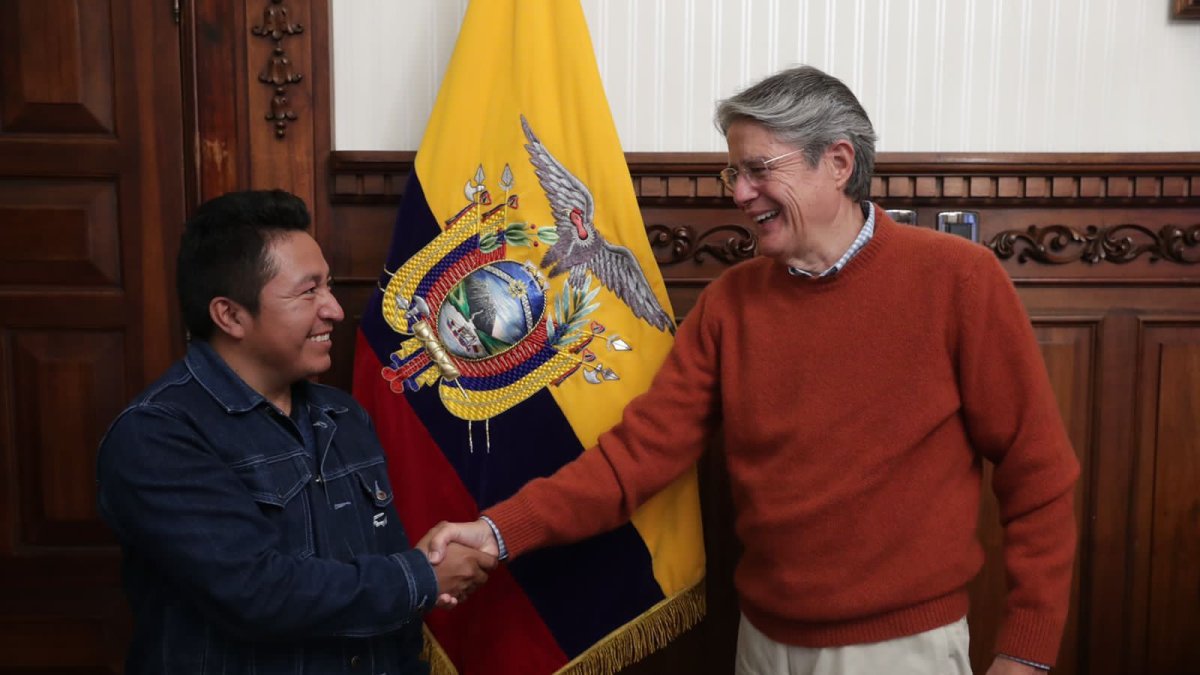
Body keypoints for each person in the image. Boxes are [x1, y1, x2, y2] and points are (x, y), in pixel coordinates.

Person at [422, 66, 1080, 675]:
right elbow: (634, 459)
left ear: (839, 162)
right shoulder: (729, 305)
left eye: (758, 169)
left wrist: (1025, 655)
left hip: (900, 651)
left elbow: (1038, 472)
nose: (739, 193)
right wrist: (496, 531)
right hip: (762, 645)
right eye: (731, 172)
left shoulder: (959, 281)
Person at [96, 190, 496, 674]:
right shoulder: (157, 434)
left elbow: (390, 616)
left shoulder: (344, 417)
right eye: (309, 292)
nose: (333, 308)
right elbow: (257, 592)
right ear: (230, 315)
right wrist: (421, 577)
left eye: (327, 286)